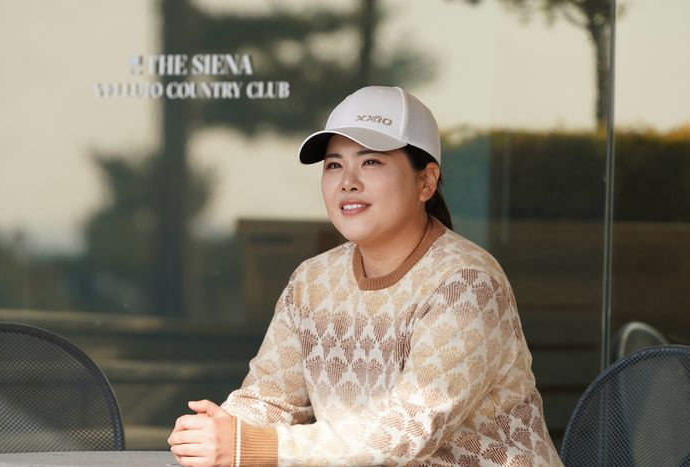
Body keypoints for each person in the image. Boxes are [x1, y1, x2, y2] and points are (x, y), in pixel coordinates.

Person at [168, 86, 563, 466]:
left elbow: (406, 431)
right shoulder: (312, 281)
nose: (348, 181)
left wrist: (251, 446)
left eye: (371, 162)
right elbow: (271, 398)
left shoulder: (466, 285)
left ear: (426, 181)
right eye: (334, 165)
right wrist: (220, 430)